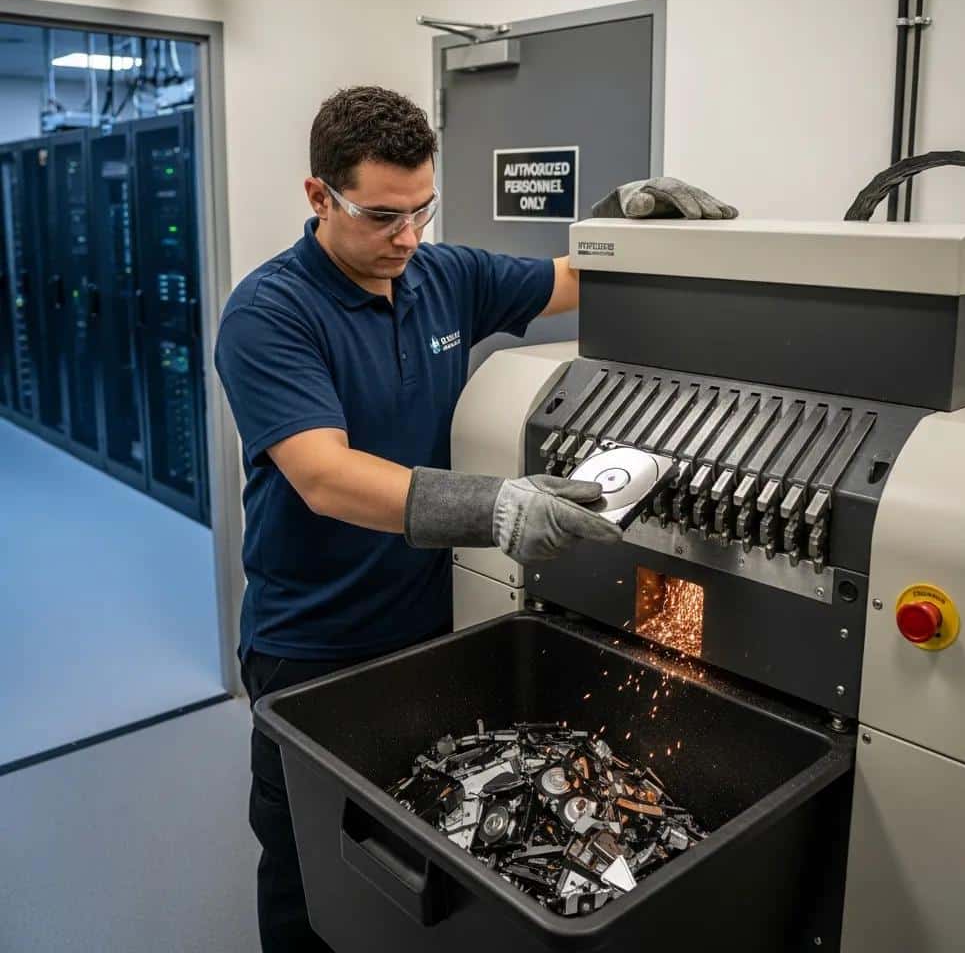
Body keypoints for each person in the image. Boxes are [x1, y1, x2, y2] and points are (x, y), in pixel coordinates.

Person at [214, 85, 736, 952]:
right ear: (318, 197)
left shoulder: (442, 275)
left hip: (427, 621)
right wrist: (493, 506)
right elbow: (325, 477)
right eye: (383, 216)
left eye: (423, 209)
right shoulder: (270, 312)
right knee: (310, 859)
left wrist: (634, 232)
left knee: (416, 846)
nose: (407, 238)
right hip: (312, 638)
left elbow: (577, 281)